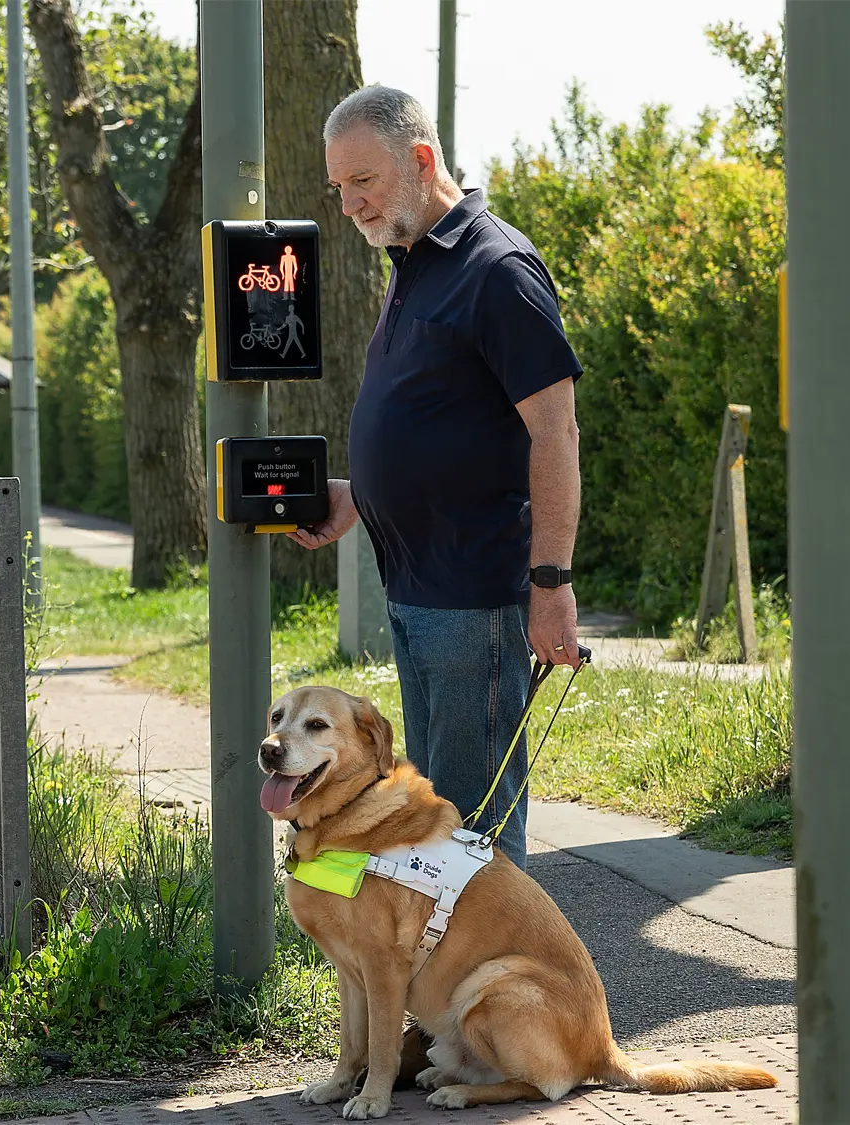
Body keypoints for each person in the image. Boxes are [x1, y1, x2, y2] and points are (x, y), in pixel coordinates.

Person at [291, 85, 584, 870]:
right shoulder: (412, 261)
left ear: (421, 161)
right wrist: (362, 497)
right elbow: (446, 426)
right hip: (419, 596)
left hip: (474, 603)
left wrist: (551, 582)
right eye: (339, 188)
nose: (349, 205)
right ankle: (451, 987)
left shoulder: (497, 268)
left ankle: (509, 989)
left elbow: (554, 433)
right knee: (439, 823)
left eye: (365, 182)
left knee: (474, 830)